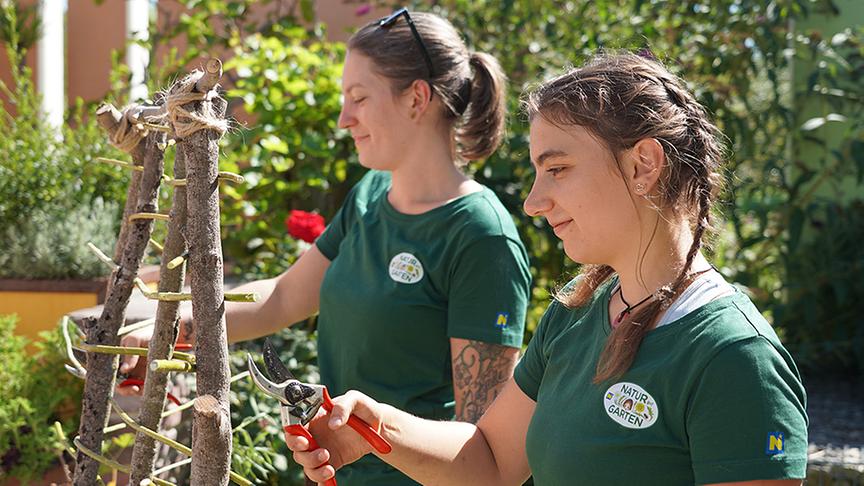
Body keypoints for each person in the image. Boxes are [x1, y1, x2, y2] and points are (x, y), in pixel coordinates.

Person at [284, 52, 809, 486]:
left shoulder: (735, 358)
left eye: (557, 169)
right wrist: (377, 430)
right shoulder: (578, 313)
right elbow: (491, 461)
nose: (534, 202)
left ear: (643, 165)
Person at [119, 9, 532, 486]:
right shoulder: (370, 196)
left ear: (417, 99)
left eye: (358, 98)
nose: (342, 118)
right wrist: (170, 328)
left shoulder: (481, 236)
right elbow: (283, 297)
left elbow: (483, 455)